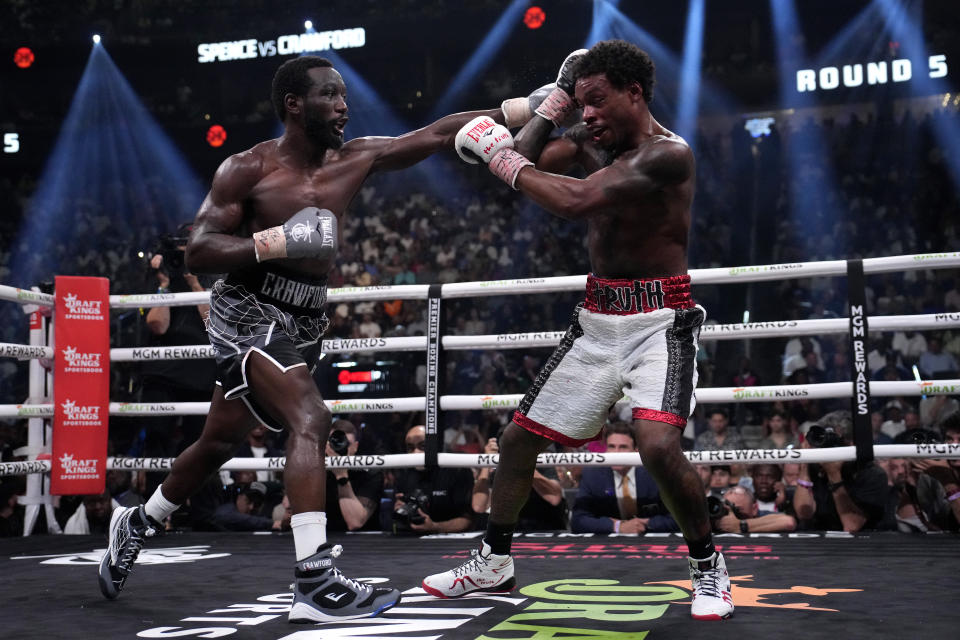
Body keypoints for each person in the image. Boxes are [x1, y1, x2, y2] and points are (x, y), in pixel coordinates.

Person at [99, 55, 516, 623]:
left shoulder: (357, 157)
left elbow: (440, 133)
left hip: (302, 322)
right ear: (295, 104)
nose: (344, 105)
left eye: (345, 94)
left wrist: (518, 109)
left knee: (219, 441)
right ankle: (315, 579)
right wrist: (272, 243)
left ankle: (139, 520)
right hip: (246, 310)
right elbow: (198, 250)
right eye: (330, 95)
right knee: (311, 419)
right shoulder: (246, 169)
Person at [423, 41, 734, 620]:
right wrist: (552, 106)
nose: (586, 115)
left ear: (634, 93)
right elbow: (525, 155)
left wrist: (507, 160)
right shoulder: (594, 138)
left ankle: (706, 567)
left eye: (595, 101)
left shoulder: (669, 154)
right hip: (598, 318)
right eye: (581, 103)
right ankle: (494, 561)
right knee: (517, 439)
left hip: (660, 321)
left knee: (657, 445)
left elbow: (576, 200)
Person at [570, 422, 679, 534]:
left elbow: (679, 519)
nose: (616, 453)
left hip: (652, 543)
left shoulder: (656, 474)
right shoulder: (592, 475)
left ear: (636, 450)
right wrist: (617, 526)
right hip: (609, 545)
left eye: (623, 447)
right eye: (611, 447)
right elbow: (578, 521)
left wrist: (646, 524)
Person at [792, 410, 888, 532]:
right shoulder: (816, 466)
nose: (829, 447)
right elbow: (803, 514)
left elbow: (851, 526)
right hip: (817, 539)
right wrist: (805, 462)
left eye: (836, 440)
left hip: (860, 544)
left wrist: (834, 475)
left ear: (852, 443)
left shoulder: (872, 474)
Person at [391, 425, 475, 535]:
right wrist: (400, 512)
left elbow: (467, 520)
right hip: (413, 540)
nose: (415, 452)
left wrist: (435, 527)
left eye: (423, 446)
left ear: (435, 446)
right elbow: (394, 525)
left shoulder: (456, 470)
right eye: (410, 448)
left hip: (453, 540)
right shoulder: (403, 473)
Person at [324, 420, 383, 532]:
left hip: (364, 542)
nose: (340, 447)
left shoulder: (370, 473)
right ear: (326, 446)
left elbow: (355, 522)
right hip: (326, 538)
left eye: (346, 443)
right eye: (334, 442)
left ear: (355, 447)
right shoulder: (316, 472)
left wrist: (341, 475)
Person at [711, 485, 796, 534]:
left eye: (737, 511)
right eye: (727, 509)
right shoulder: (714, 516)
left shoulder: (761, 516)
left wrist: (740, 525)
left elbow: (789, 522)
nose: (732, 516)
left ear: (754, 509)